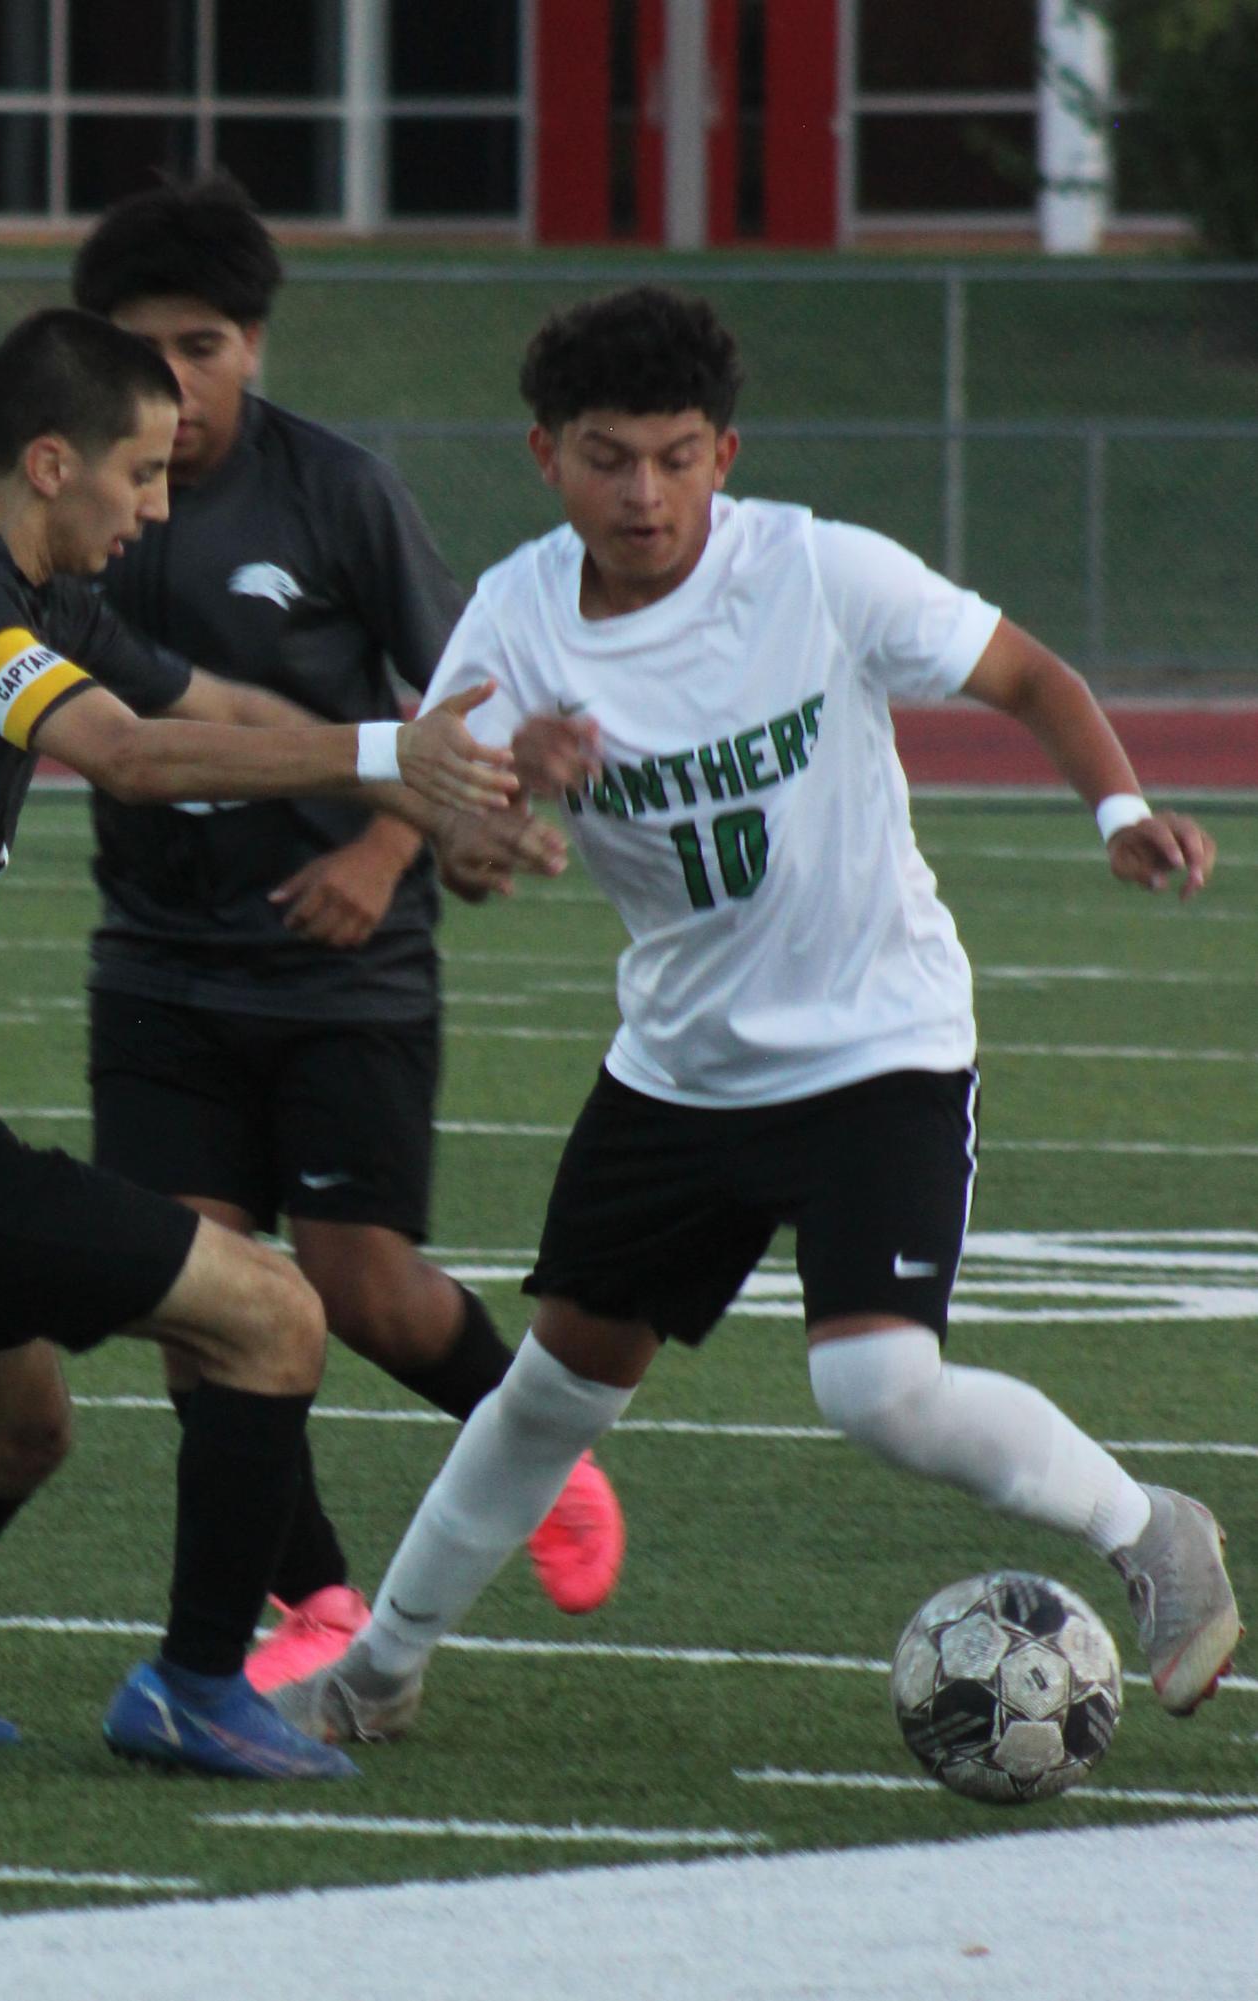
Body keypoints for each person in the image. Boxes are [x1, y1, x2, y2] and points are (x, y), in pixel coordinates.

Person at [273, 285, 1242, 1746]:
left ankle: (1153, 1527)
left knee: (876, 1385)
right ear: (546, 454)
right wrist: (505, 791)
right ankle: (378, 1670)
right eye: (608, 455)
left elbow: (1028, 672)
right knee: (550, 1391)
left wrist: (1117, 806)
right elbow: (459, 845)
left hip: (881, 1045)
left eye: (674, 454)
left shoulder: (819, 570)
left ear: (726, 453)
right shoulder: (517, 616)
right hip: (681, 1066)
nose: (643, 492)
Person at [0, 305, 539, 1782]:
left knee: (16, 1430)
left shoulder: (35, 595)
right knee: (273, 1316)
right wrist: (382, 757)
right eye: (143, 475)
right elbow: (124, 754)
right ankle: (190, 1685)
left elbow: (209, 707)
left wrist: (432, 792)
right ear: (52, 462)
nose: (160, 508)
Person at [69, 176, 626, 1692]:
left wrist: (391, 850)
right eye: (143, 351)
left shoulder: (336, 493)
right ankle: (309, 1597)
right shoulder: (84, 500)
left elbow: (468, 696)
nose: (175, 383)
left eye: (203, 346)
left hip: (344, 961)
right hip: (157, 957)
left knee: (365, 1287)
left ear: (254, 343)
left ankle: (540, 1452)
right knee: (201, 1296)